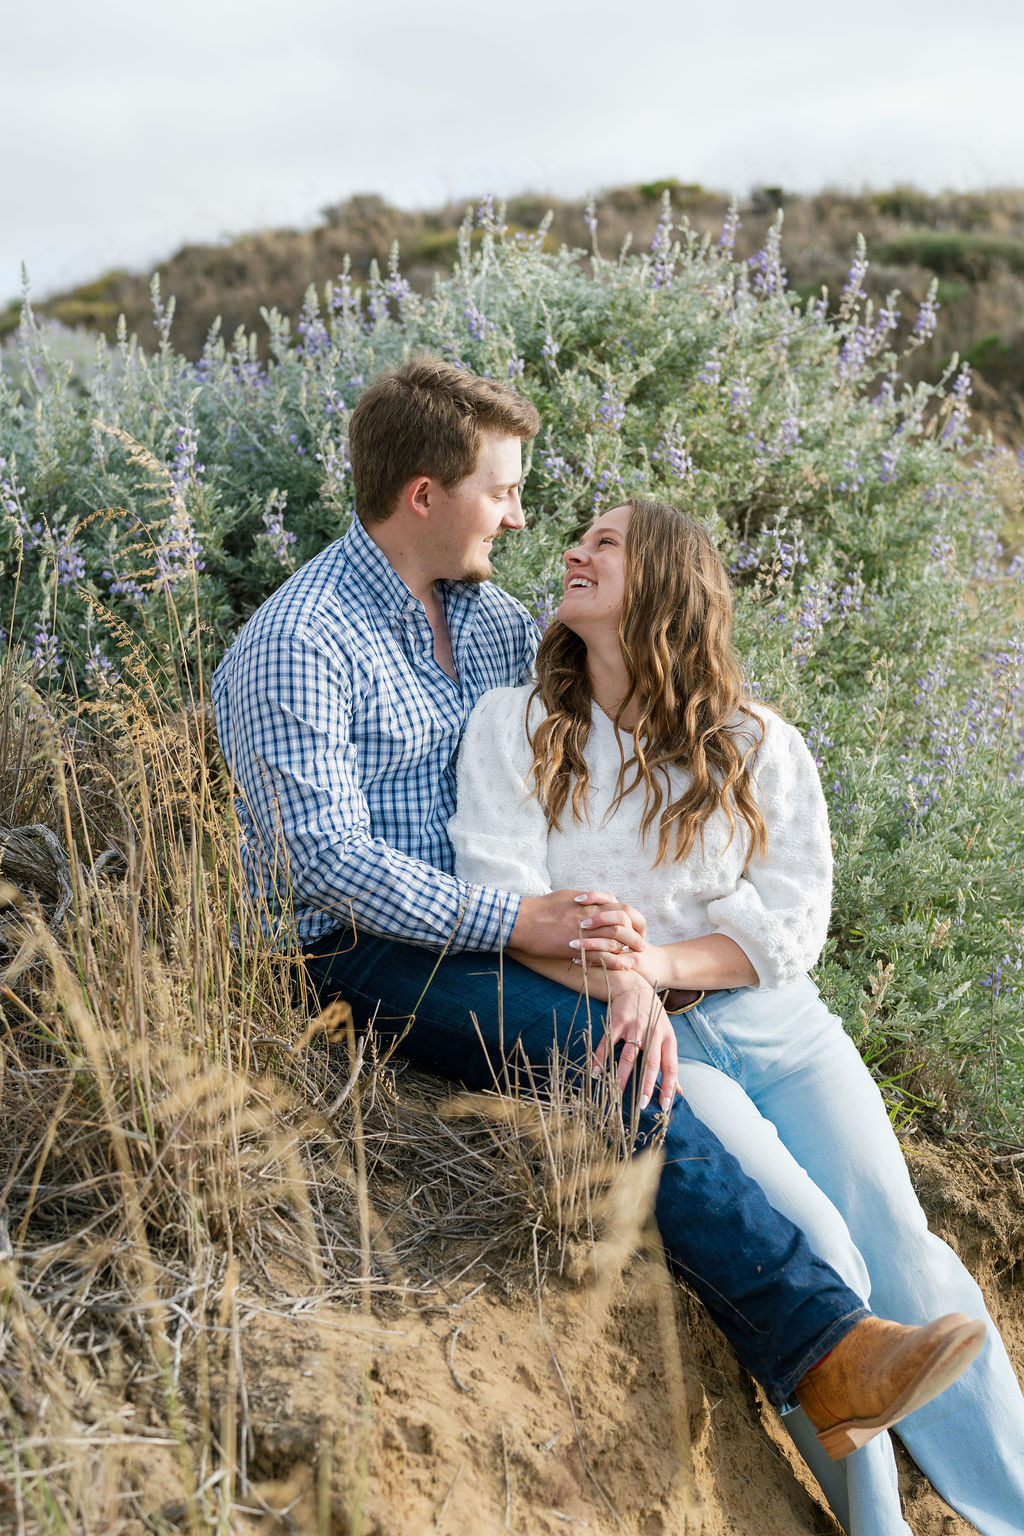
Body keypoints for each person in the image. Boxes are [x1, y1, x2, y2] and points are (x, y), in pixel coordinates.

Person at [211, 358, 983, 1492]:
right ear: (424, 495)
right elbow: (320, 861)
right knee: (593, 1054)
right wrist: (524, 921)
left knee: (626, 1046)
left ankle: (866, 1376)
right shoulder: (300, 641)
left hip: (498, 932)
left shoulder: (484, 623)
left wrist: (614, 940)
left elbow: (579, 761)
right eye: (503, 489)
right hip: (343, 953)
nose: (522, 517)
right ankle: (822, 1348)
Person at [448, 496, 1024, 1536]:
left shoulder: (755, 740)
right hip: (644, 1041)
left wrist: (654, 961)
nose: (573, 551)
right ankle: (878, 1528)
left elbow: (792, 924)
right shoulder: (512, 728)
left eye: (604, 542)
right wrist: (624, 984)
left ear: (664, 580)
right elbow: (505, 902)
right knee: (823, 1253)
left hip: (776, 1025)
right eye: (578, 538)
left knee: (898, 1239)